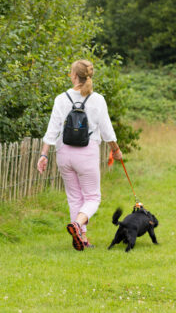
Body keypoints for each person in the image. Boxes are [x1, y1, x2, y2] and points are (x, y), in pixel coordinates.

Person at [37, 60, 123, 251]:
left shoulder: (61, 99)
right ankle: (78, 225)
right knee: (93, 197)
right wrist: (116, 149)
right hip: (87, 154)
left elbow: (52, 131)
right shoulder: (97, 100)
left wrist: (43, 155)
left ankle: (82, 238)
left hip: (63, 154)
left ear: (73, 76)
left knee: (74, 197)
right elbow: (107, 130)